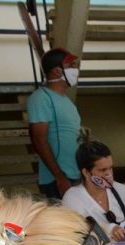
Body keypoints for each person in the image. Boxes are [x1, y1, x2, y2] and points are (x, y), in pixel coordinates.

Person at [26, 48, 82, 199]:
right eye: (71, 66)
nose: (75, 70)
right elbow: (39, 139)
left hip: (74, 174)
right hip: (57, 179)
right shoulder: (40, 98)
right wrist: (59, 177)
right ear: (57, 71)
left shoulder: (66, 100)